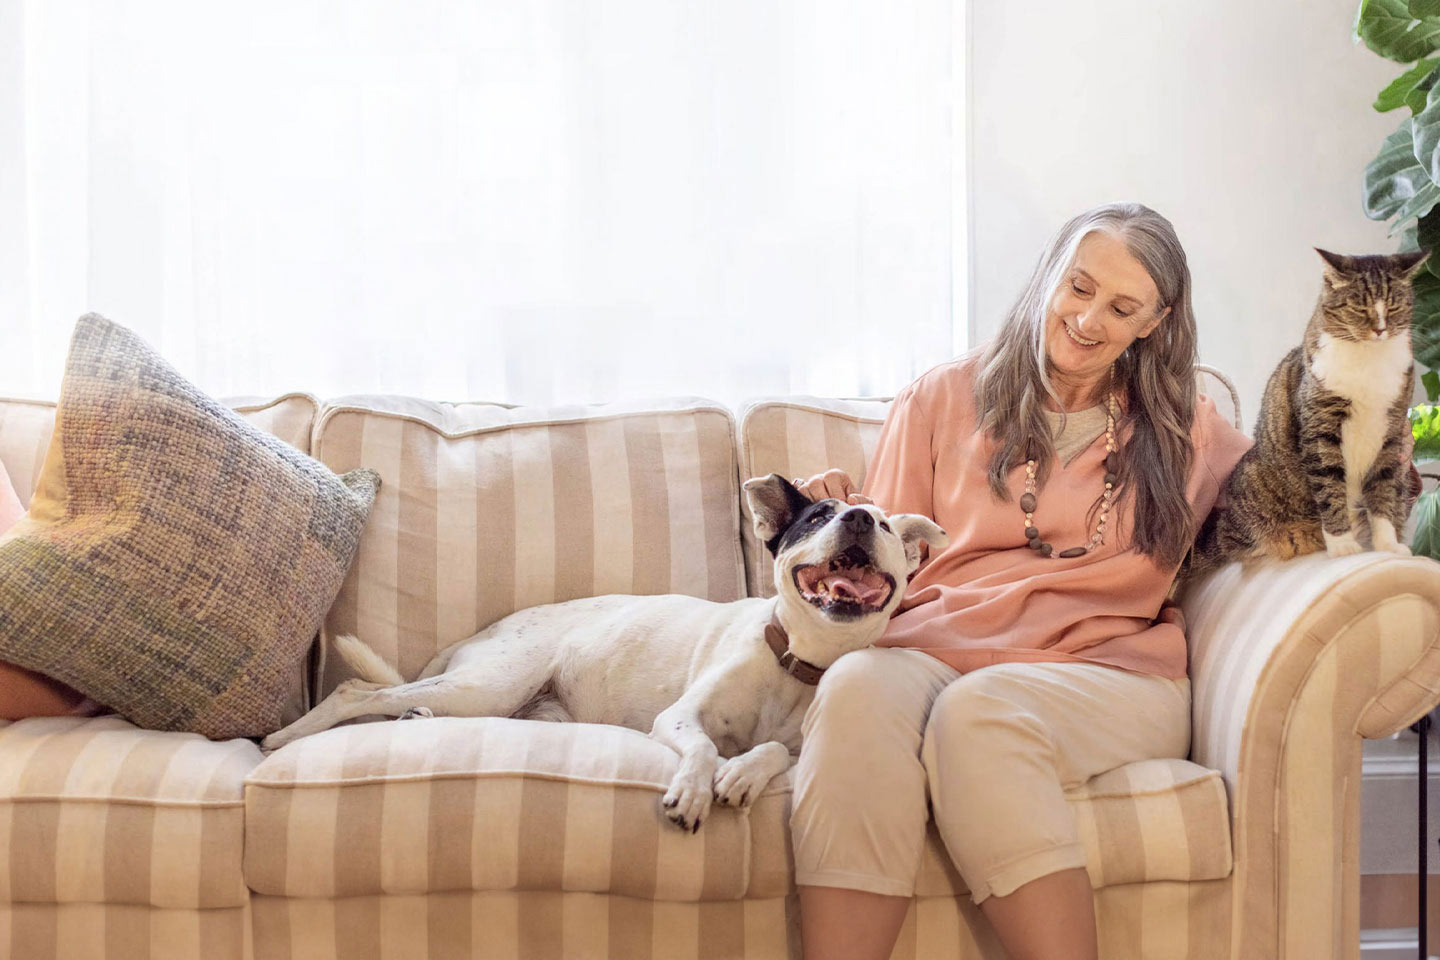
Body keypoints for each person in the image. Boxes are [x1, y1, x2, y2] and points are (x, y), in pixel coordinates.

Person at [789, 202, 1252, 960]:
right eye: (1079, 287)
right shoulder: (941, 397)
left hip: (1108, 672)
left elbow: (1300, 485)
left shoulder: (1184, 430)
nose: (1089, 318)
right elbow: (889, 563)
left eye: (1122, 307)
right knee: (857, 690)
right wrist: (833, 531)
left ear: (1155, 323)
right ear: (1049, 279)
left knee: (979, 715)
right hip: (938, 649)